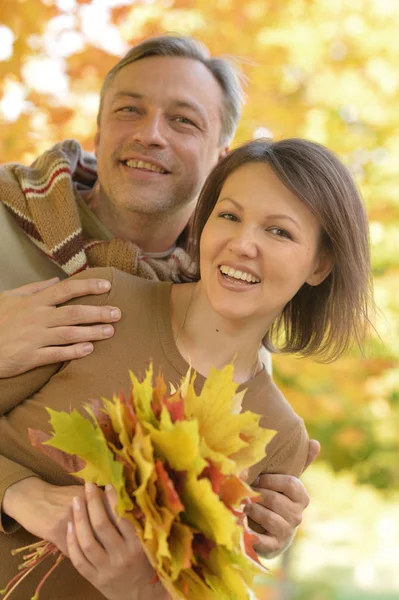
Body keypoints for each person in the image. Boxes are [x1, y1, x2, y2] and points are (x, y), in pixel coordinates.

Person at [0, 138, 373, 599]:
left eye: (279, 232)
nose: (242, 244)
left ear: (320, 263)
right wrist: (19, 492)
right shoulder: (103, 303)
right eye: (229, 216)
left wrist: (139, 591)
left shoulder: (279, 440)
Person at [0, 34, 316, 558]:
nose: (150, 135)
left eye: (183, 120)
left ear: (221, 158)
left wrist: (260, 523)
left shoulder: (224, 306)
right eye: (129, 110)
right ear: (98, 130)